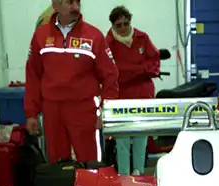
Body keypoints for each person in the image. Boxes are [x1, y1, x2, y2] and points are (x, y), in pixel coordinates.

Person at [24, 0, 119, 164]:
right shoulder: (41, 36)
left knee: (90, 161)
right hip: (52, 110)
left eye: (78, 2)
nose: (75, 7)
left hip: (83, 109)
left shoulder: (93, 36)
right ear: (56, 5)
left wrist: (106, 110)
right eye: (69, 2)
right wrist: (31, 113)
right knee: (57, 163)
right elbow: (33, 76)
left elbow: (110, 75)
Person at [105, 5, 160, 175]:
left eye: (125, 23)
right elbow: (113, 72)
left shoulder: (142, 38)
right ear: (113, 26)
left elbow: (155, 63)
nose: (123, 28)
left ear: (130, 22)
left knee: (141, 138)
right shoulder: (108, 43)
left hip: (143, 96)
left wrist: (130, 71)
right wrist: (140, 70)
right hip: (121, 98)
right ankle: (123, 176)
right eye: (118, 25)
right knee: (122, 140)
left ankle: (139, 175)